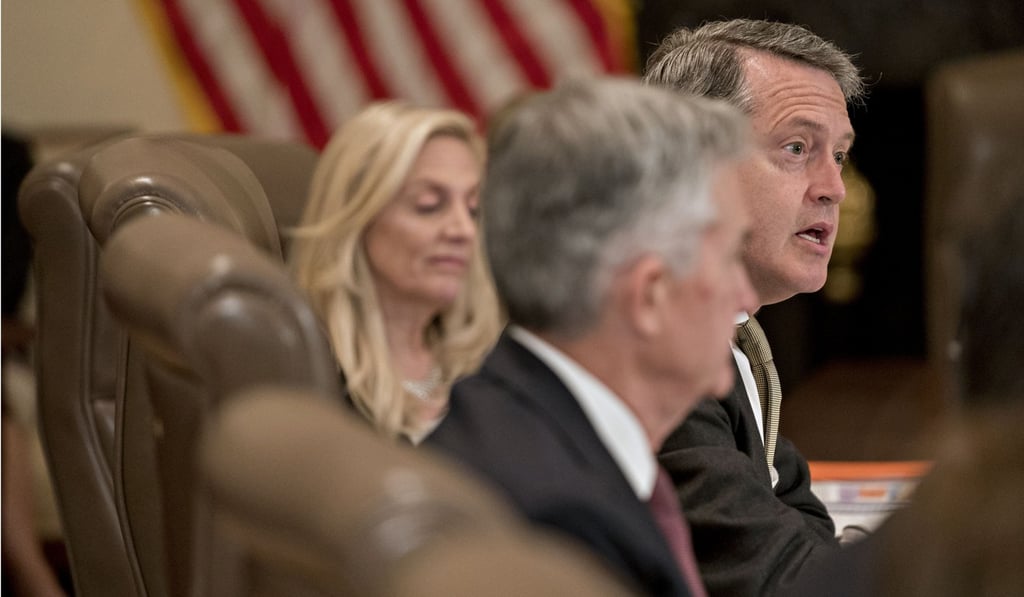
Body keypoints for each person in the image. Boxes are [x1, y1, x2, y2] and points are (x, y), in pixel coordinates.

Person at [426, 77, 756, 596]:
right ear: (649, 295)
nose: (746, 296)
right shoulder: (563, 533)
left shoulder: (507, 412)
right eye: (732, 257)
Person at [642, 18, 867, 596]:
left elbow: (794, 505)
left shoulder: (731, 334)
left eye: (839, 155)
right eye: (797, 148)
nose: (834, 187)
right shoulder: (652, 342)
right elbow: (768, 578)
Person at [289, 102, 502, 443]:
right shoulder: (307, 381)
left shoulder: (492, 365)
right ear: (357, 218)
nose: (464, 230)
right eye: (429, 205)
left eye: (473, 209)